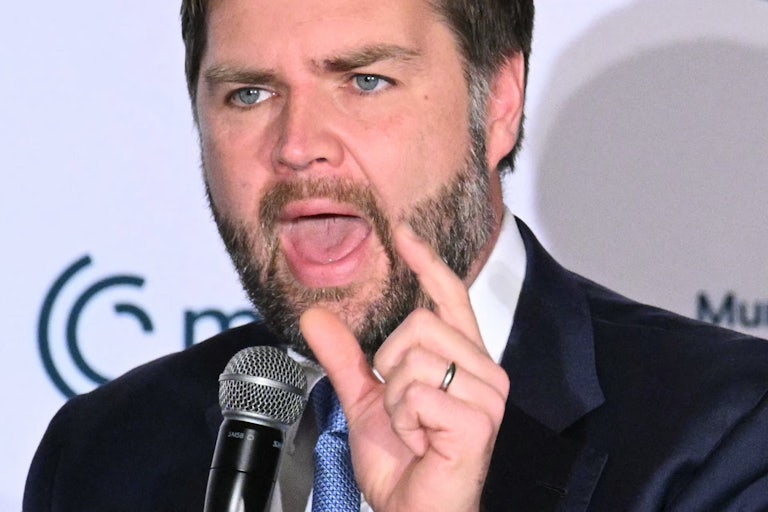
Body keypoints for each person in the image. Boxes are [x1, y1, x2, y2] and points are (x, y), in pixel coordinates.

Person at [23, 0, 768, 510]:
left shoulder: (724, 436)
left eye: (365, 81)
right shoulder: (101, 453)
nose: (298, 146)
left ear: (498, 103)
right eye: (249, 94)